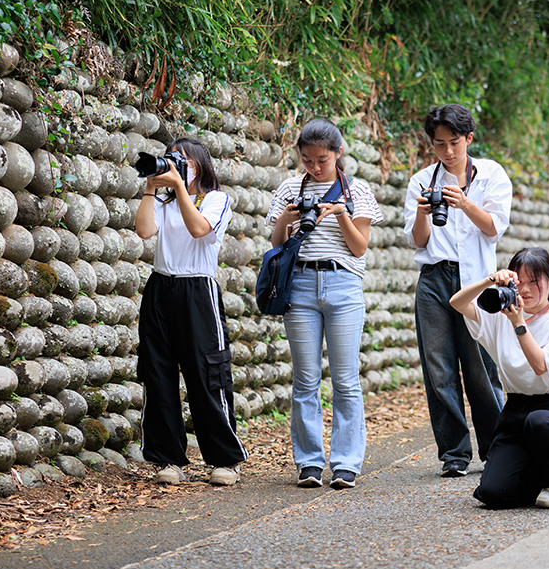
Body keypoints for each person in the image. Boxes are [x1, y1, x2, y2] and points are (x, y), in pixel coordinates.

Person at [267, 118, 383, 489]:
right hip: (299, 284)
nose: (315, 168)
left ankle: (347, 463)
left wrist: (342, 215)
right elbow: (275, 244)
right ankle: (310, 464)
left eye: (322, 160)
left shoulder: (357, 191)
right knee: (305, 379)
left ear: (338, 153)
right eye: (307, 160)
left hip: (343, 285)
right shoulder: (289, 187)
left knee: (345, 379)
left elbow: (359, 246)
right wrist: (287, 217)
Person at [403, 104, 512, 478]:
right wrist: (421, 212)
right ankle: (454, 453)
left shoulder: (491, 175)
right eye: (439, 144)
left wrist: (464, 202)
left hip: (477, 283)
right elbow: (419, 241)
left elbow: (494, 228)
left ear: (469, 138)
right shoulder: (421, 180)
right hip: (434, 280)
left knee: (481, 368)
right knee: (439, 369)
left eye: (454, 143)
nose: (448, 152)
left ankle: (498, 449)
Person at [135, 137, 249, 486]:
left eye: (180, 160)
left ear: (197, 165)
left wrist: (180, 190)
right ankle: (169, 459)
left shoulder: (216, 199)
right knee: (157, 372)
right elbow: (144, 230)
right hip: (160, 286)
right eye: (169, 159)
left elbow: (200, 229)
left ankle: (225, 460)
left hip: (198, 289)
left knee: (207, 373)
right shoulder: (164, 198)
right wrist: (152, 189)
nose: (172, 165)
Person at [449, 247, 549, 509]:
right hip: (515, 413)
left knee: (540, 422)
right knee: (492, 494)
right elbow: (457, 303)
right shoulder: (499, 319)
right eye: (520, 282)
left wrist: (519, 323)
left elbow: (541, 366)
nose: (526, 289)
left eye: (535, 281)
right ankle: (544, 471)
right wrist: (490, 280)